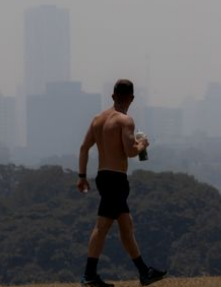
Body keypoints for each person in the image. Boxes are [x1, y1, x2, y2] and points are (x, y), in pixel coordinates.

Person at [77, 79, 167, 287]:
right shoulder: (125, 120)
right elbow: (130, 151)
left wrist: (81, 176)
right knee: (102, 226)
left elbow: (84, 148)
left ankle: (144, 272)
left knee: (126, 225)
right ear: (132, 98)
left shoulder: (97, 120)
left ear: (112, 96)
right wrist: (142, 143)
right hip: (116, 179)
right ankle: (89, 275)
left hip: (102, 176)